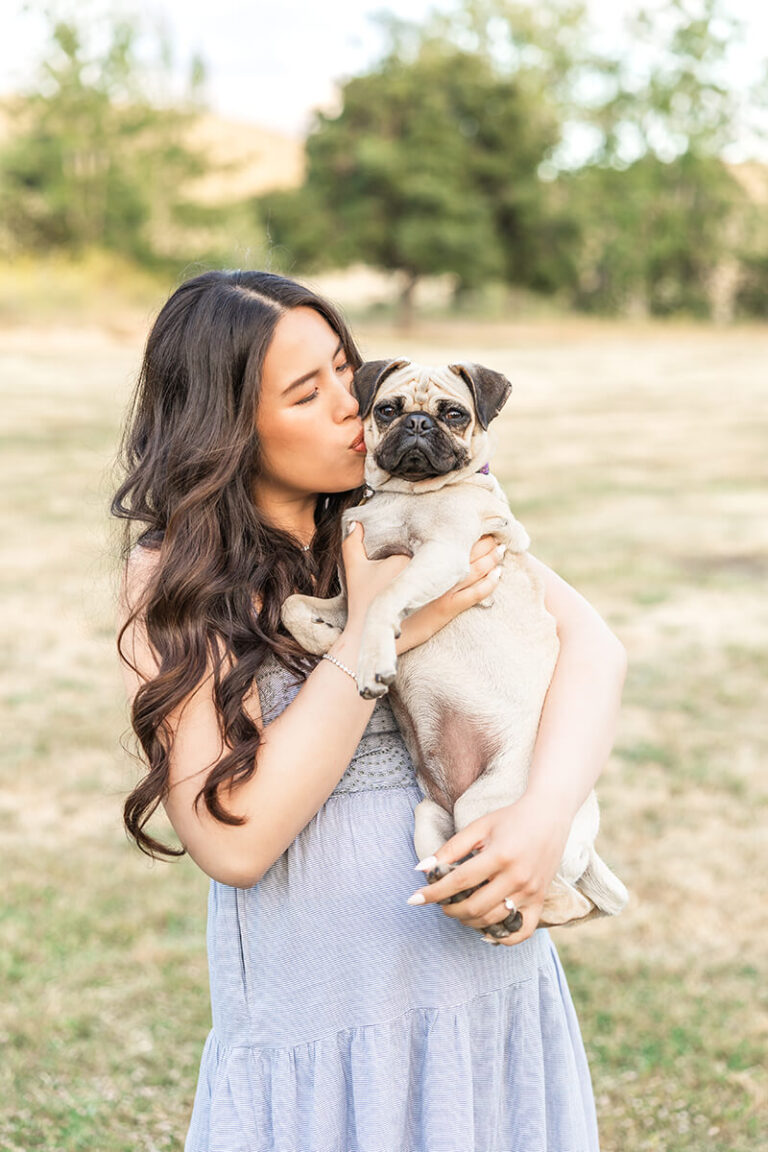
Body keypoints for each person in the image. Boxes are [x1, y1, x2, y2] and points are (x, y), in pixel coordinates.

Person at [113, 269, 627, 1152]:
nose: (356, 409)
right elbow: (235, 843)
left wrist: (542, 819)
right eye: (309, 393)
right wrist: (393, 625)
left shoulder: (409, 512)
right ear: (225, 424)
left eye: (348, 374)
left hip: (480, 984)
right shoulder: (172, 580)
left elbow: (595, 650)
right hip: (327, 1020)